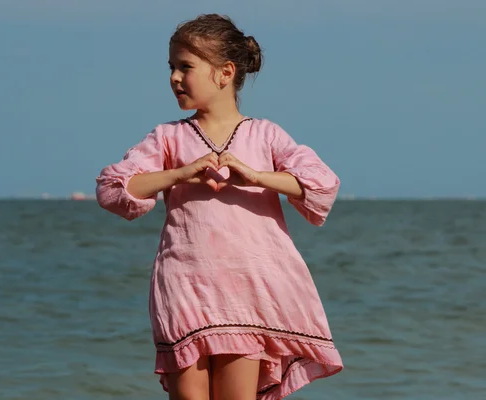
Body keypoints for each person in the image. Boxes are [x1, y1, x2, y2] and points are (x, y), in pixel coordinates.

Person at [95, 13, 343, 400]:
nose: (174, 78)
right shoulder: (168, 138)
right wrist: (180, 174)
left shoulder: (265, 135)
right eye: (171, 68)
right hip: (183, 288)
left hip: (244, 293)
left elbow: (320, 184)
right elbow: (115, 189)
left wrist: (257, 176)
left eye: (186, 67)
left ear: (224, 73)